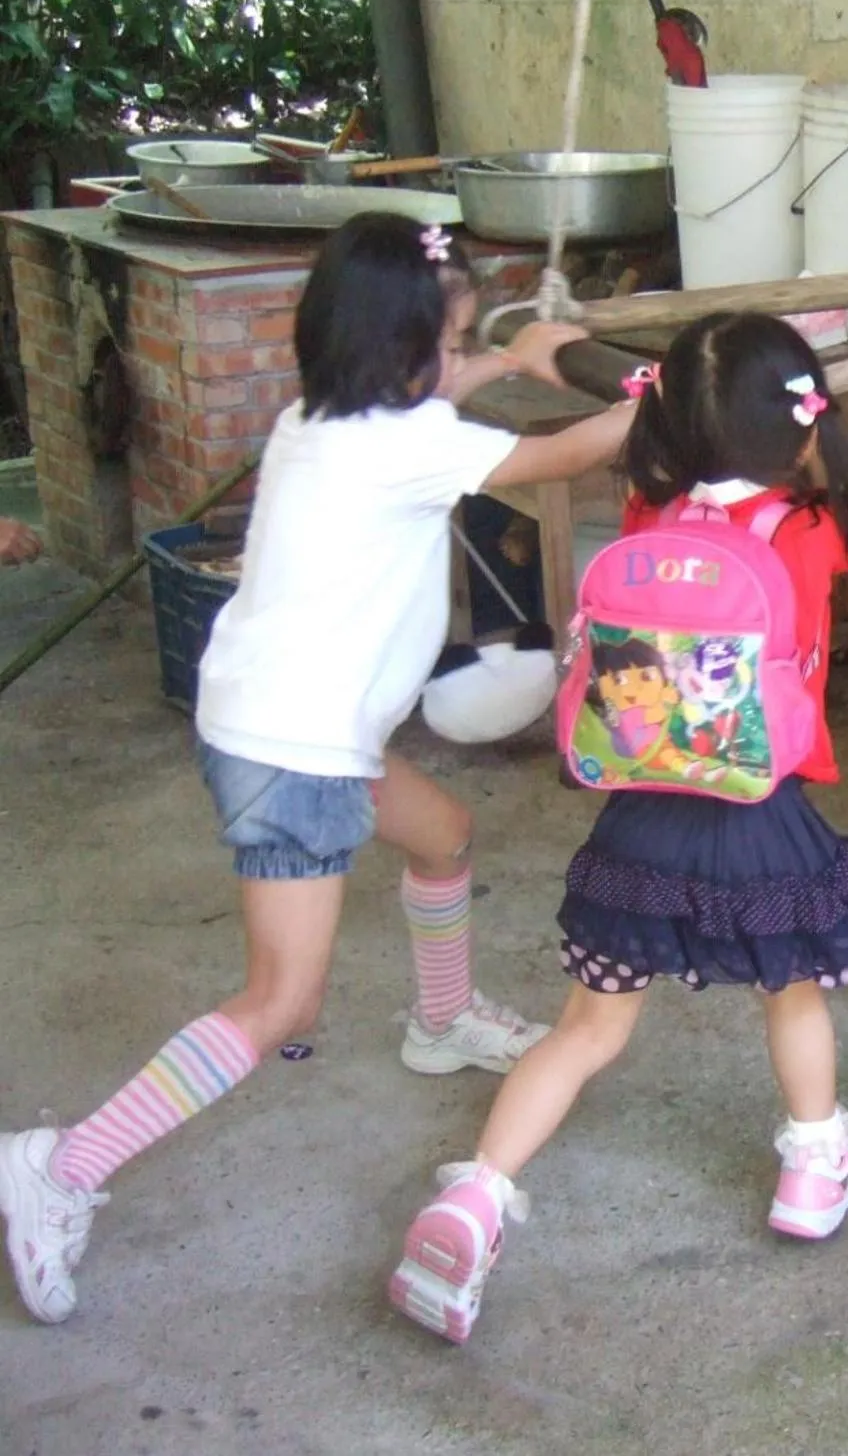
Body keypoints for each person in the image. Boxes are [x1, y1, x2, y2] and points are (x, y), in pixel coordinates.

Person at [0, 213, 638, 1325]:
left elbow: (441, 395)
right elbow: (569, 455)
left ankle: (441, 1020)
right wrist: (656, 404)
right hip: (292, 752)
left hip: (288, 724)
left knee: (443, 835)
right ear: (399, 353)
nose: (459, 359)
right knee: (278, 999)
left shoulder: (320, 415)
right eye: (451, 342)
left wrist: (509, 356)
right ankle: (55, 1169)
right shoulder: (410, 447)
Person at [387, 312, 848, 1345]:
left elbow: (666, 451)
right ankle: (813, 1169)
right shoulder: (808, 530)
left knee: (584, 1032)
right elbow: (838, 519)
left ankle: (476, 1196)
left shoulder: (645, 510)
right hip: (759, 823)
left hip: (639, 828)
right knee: (791, 994)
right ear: (800, 424)